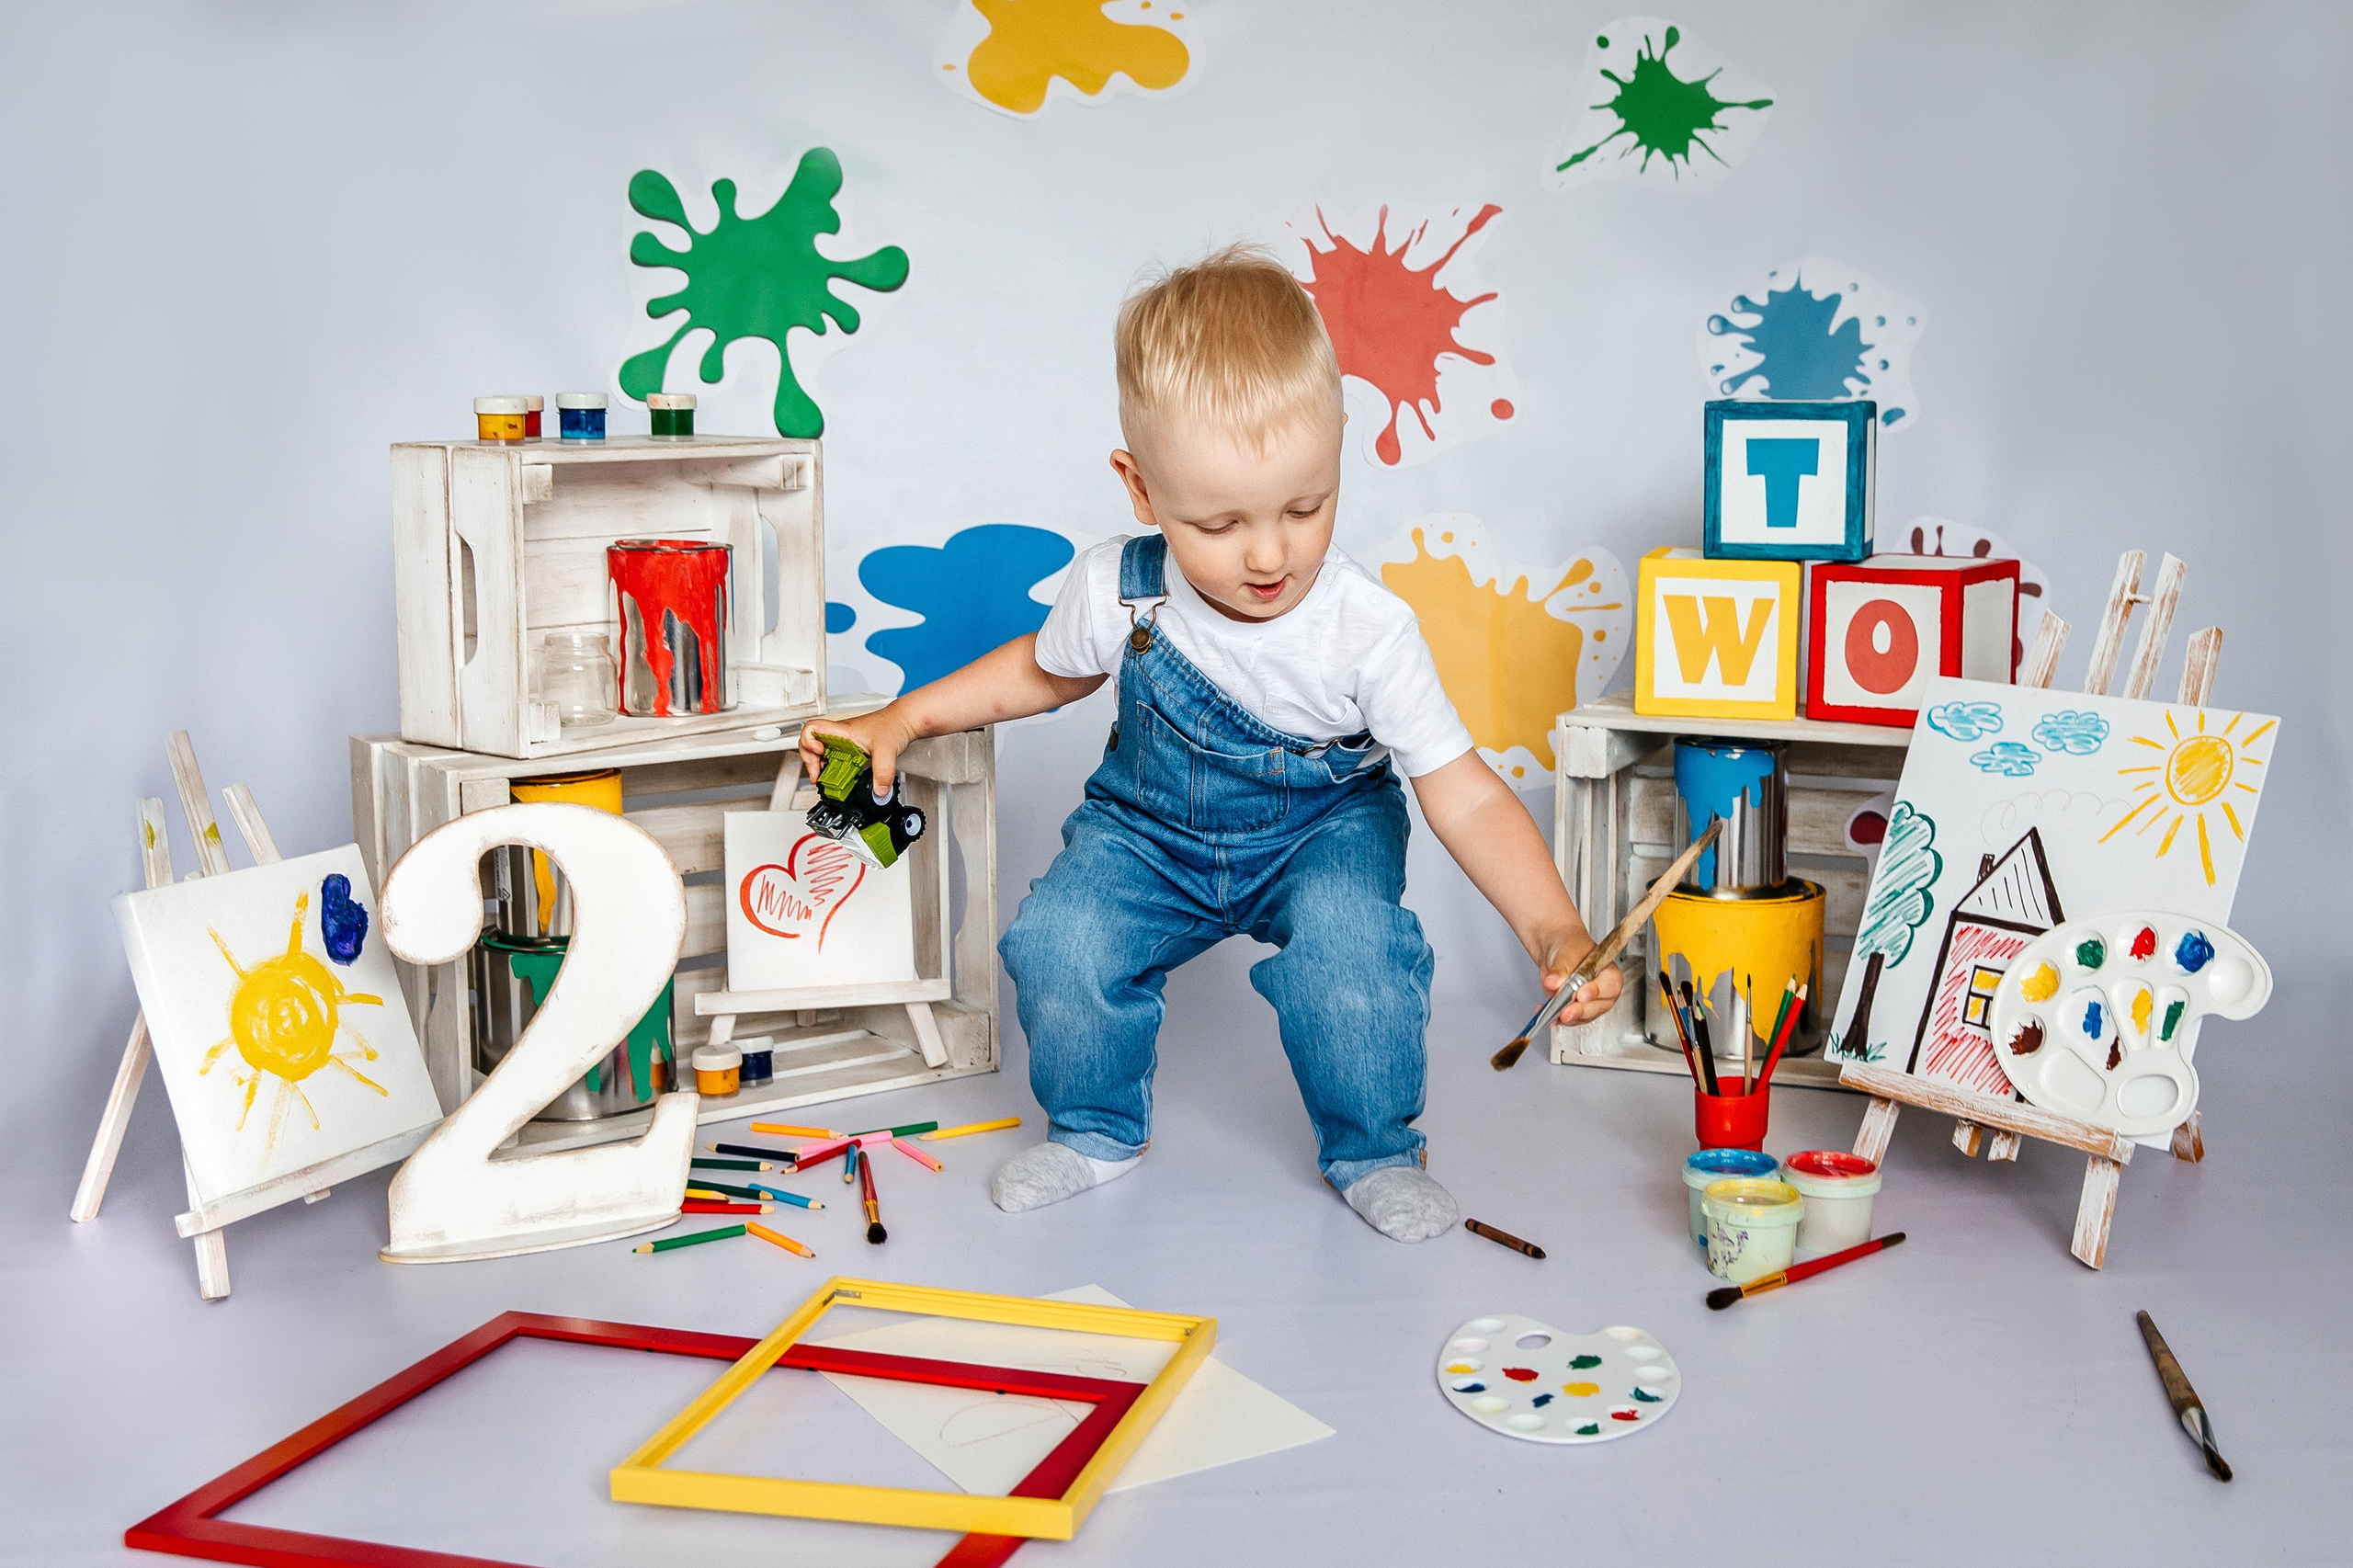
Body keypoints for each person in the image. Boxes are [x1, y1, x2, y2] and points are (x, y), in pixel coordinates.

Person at [801, 244, 1620, 1241]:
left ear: (1337, 452)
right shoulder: (1121, 585)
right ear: (1140, 488)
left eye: (1304, 506)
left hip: (1319, 831)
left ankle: (1370, 1146)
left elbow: (1464, 790)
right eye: (1220, 522)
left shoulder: (1366, 625)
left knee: (1353, 959)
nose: (1269, 552)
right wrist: (907, 716)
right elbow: (1044, 669)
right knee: (1060, 942)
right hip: (1148, 833)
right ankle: (1097, 1127)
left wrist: (1554, 929)